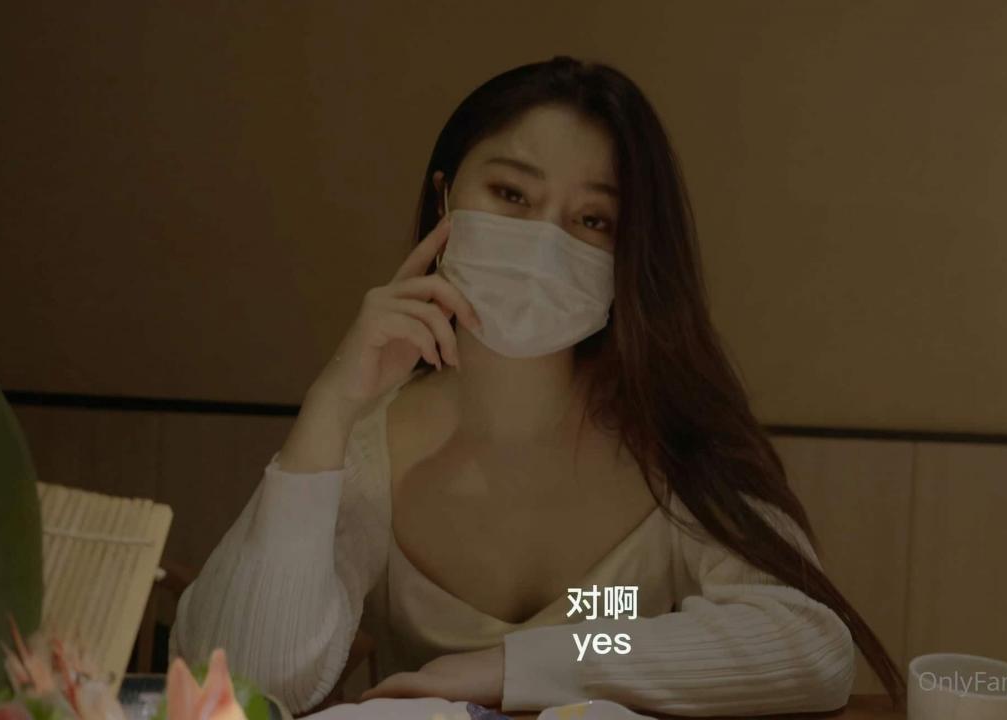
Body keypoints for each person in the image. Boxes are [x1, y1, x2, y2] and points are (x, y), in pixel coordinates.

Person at [172, 55, 904, 716]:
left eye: (593, 219)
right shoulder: (371, 447)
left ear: (631, 251)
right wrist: (330, 407)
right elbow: (247, 680)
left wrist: (512, 666)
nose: (545, 240)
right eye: (512, 194)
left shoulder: (676, 436)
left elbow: (807, 645)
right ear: (444, 198)